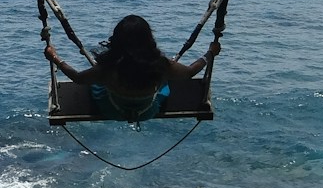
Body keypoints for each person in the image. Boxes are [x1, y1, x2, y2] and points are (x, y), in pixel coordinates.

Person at [44, 14, 220, 123]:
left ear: (118, 39)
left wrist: (55, 58)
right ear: (148, 39)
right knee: (164, 83)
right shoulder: (160, 65)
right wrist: (209, 54)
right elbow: (190, 72)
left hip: (111, 109)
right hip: (147, 112)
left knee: (95, 84)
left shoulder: (108, 68)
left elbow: (77, 78)